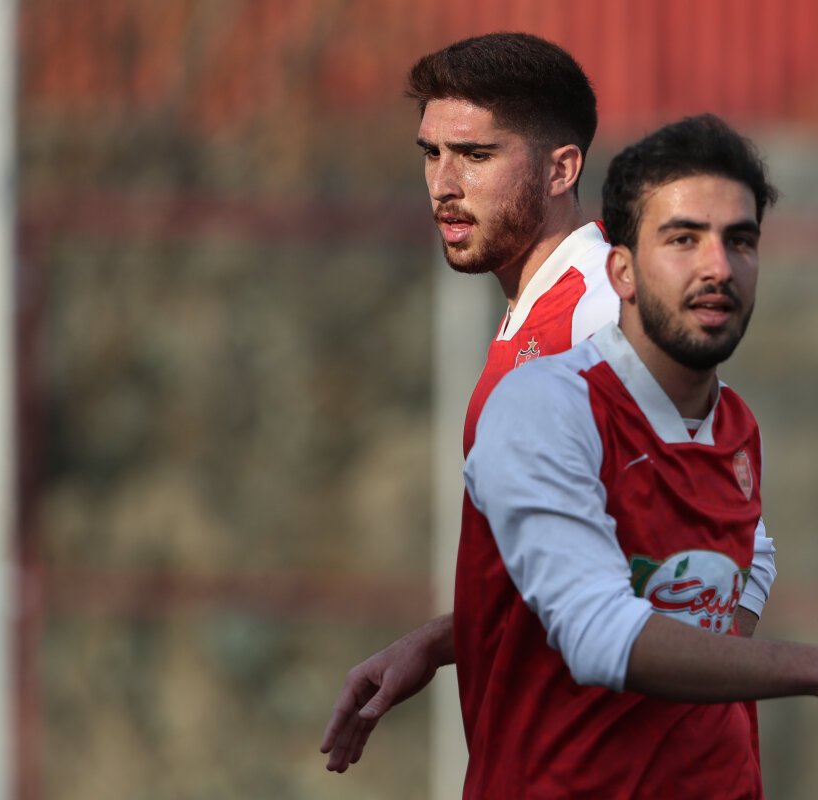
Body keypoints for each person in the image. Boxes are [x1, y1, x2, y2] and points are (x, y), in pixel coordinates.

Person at [320, 34, 777, 773]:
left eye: (476, 155)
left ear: (562, 168)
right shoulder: (539, 313)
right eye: (432, 154)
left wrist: (666, 731)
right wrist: (444, 641)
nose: (444, 184)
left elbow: (738, 542)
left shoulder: (597, 309)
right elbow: (595, 565)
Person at [453, 114, 818, 797]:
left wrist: (699, 691)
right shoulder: (545, 406)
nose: (718, 267)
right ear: (621, 271)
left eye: (739, 241)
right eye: (683, 239)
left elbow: (749, 558)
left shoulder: (734, 423)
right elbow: (596, 632)